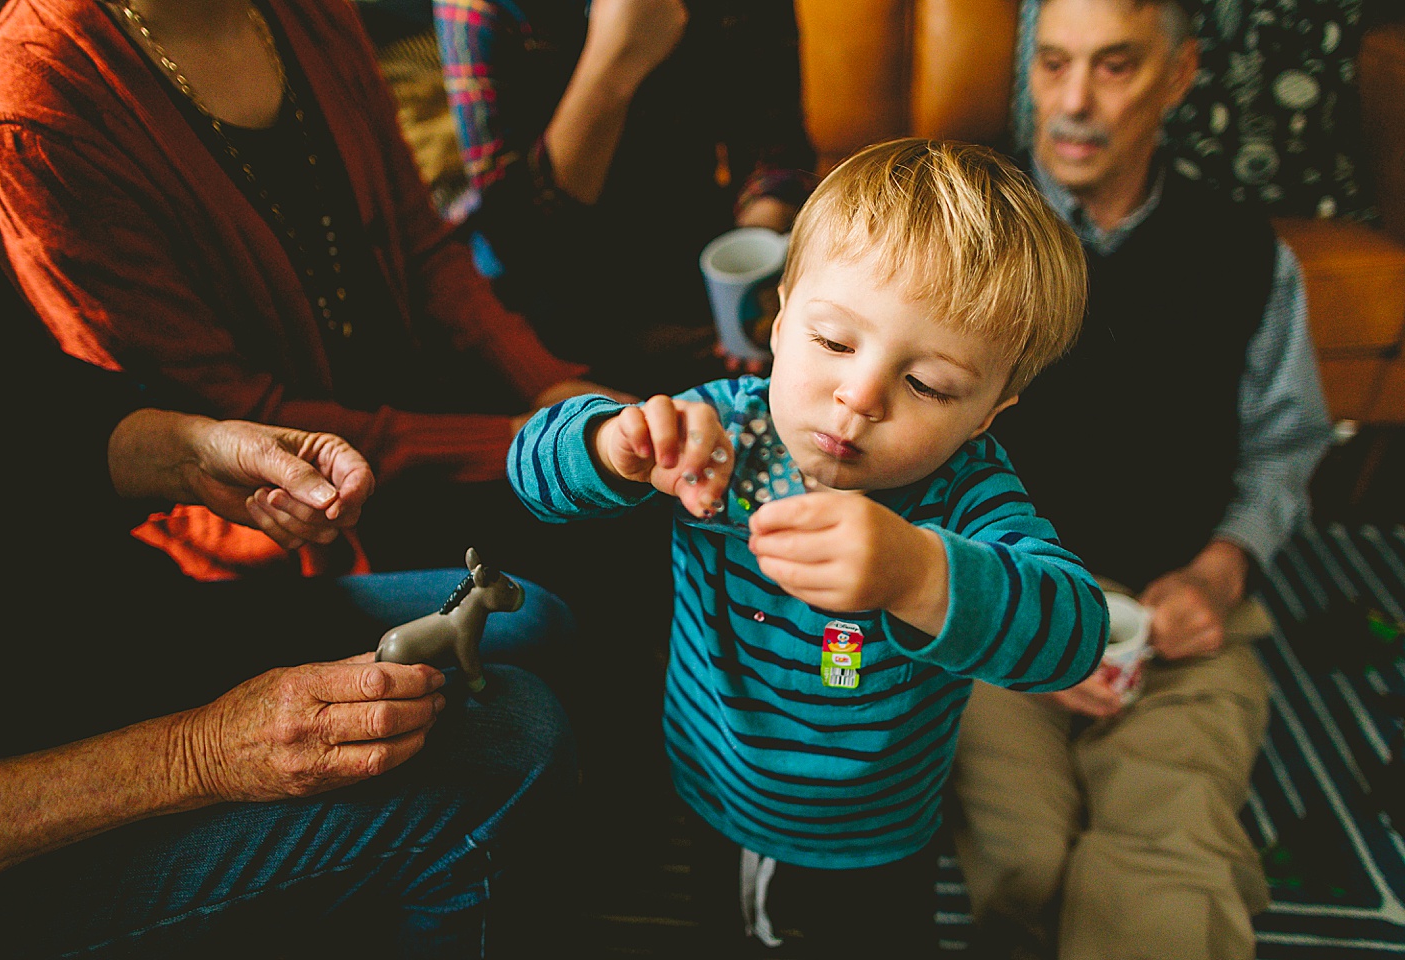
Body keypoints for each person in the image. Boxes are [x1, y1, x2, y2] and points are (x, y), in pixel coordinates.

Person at [508, 138, 1110, 957]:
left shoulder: (965, 495)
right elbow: (530, 473)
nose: (858, 397)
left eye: (927, 385)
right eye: (833, 342)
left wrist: (919, 572)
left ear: (989, 413)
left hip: (879, 830)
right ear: (781, 318)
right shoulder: (724, 424)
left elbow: (1073, 635)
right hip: (712, 783)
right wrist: (613, 445)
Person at [0, 214, 578, 958]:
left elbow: (11, 400)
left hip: (94, 630)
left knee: (535, 620)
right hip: (10, 839)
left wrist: (188, 450)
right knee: (514, 740)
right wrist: (198, 754)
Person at [0, 0, 632, 580]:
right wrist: (521, 441)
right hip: (289, 522)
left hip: (429, 416)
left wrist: (546, 386)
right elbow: (237, 416)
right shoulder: (32, 101)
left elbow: (424, 247)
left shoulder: (307, 11)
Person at [947, 1, 1335, 958]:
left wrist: (1223, 568)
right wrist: (998, 616)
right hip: (994, 607)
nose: (1073, 103)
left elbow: (1287, 444)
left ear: (1180, 72)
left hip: (1176, 615)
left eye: (1115, 67)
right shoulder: (966, 233)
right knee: (1027, 864)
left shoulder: (1247, 253)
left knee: (1164, 872)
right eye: (1054, 66)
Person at [434, 0, 819, 395]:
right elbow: (518, 243)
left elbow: (777, 155)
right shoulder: (479, 8)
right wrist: (614, 60)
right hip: (544, 321)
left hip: (693, 287)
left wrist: (751, 266)